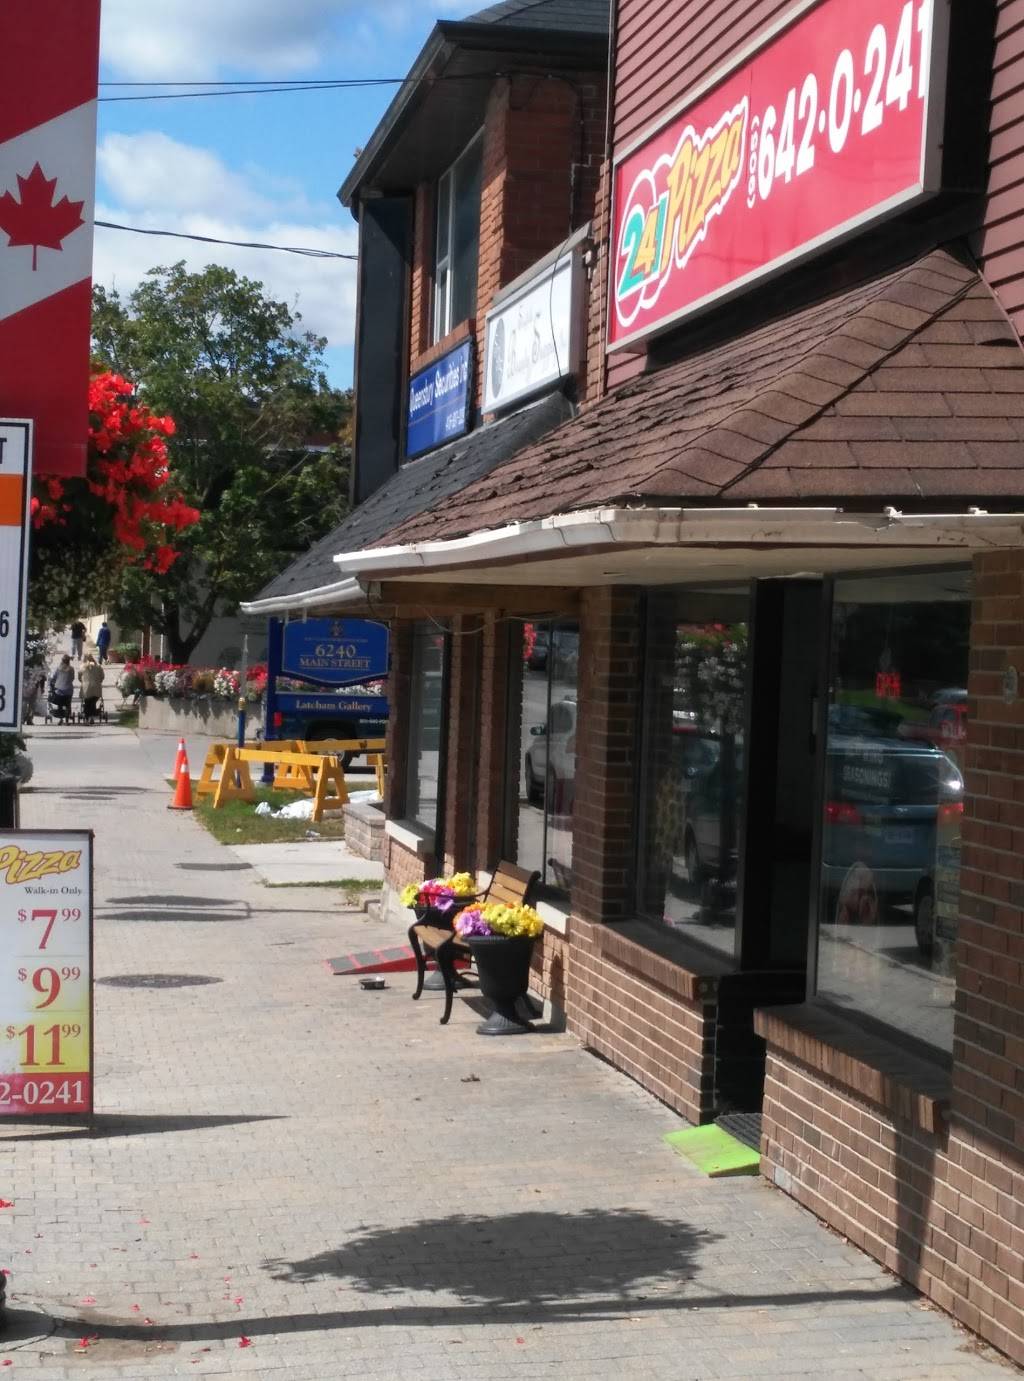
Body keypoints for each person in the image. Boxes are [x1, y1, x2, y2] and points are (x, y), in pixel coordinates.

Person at [79, 656, 104, 725]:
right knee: (93, 701)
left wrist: (83, 682)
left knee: (87, 702)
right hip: (96, 690)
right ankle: (92, 716)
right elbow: (102, 677)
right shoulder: (99, 667)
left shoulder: (82, 667)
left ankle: (87, 718)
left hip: (86, 690)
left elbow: (79, 678)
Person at [49, 656, 74, 723]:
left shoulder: (58, 668)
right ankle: (68, 716)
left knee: (60, 703)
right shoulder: (71, 669)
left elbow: (54, 677)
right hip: (68, 691)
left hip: (59, 691)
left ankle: (60, 716)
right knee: (68, 703)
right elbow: (72, 678)